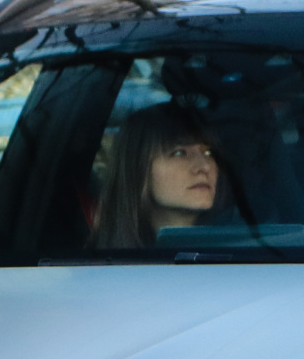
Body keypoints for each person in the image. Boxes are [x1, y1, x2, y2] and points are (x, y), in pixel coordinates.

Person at [92, 104, 226, 250]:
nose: (204, 166)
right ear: (139, 169)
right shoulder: (93, 263)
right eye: (179, 153)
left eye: (208, 153)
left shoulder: (244, 251)